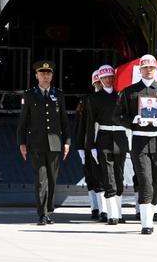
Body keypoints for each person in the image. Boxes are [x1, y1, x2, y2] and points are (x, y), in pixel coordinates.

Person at [115, 54, 157, 235]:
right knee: (144, 180)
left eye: (151, 68)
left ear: (155, 70)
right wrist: (132, 121)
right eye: (145, 68)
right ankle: (146, 223)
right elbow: (117, 116)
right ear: (140, 70)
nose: (148, 71)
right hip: (140, 141)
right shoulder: (129, 92)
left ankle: (153, 205)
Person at [16, 60, 71, 225]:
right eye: (42, 73)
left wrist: (67, 141)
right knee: (41, 179)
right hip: (36, 143)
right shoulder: (30, 94)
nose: (45, 76)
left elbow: (64, 121)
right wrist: (22, 143)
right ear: (36, 75)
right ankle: (42, 213)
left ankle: (49, 210)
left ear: (52, 76)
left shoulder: (58, 94)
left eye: (48, 73)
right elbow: (23, 121)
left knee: (52, 179)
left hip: (55, 143)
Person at [84, 64, 130, 225]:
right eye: (104, 78)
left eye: (110, 77)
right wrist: (90, 146)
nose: (108, 80)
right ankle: (112, 214)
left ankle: (119, 212)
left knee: (119, 175)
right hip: (103, 138)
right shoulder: (94, 98)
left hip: (120, 137)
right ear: (100, 80)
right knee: (108, 176)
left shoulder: (122, 95)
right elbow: (90, 124)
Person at [76, 69, 107, 221]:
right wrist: (80, 146)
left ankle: (104, 210)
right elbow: (81, 125)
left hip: (103, 142)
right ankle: (95, 207)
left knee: (102, 177)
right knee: (91, 177)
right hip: (88, 144)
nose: (100, 85)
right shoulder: (87, 101)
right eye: (97, 82)